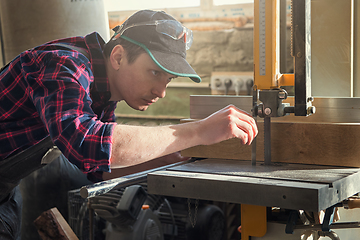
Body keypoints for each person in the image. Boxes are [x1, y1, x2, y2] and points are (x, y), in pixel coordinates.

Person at [0, 9, 258, 239]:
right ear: (119, 57)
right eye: (155, 72)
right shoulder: (64, 65)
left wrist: (177, 159)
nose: (161, 91)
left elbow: (99, 167)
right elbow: (87, 143)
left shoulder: (104, 93)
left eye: (167, 79)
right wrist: (199, 131)